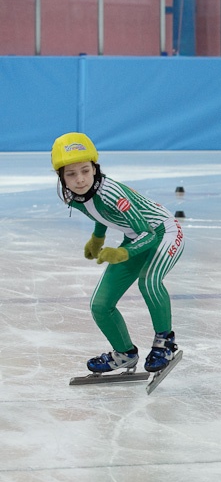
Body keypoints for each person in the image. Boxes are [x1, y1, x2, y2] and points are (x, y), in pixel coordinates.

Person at [52, 132, 185, 374]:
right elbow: (98, 212)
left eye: (85, 170)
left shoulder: (112, 193)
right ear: (61, 177)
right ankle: (124, 353)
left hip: (163, 231)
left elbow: (149, 234)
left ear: (95, 168)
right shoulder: (69, 195)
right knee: (100, 305)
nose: (80, 179)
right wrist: (98, 237)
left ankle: (165, 342)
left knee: (149, 282)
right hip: (135, 237)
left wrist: (123, 253)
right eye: (71, 174)